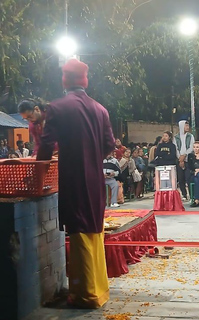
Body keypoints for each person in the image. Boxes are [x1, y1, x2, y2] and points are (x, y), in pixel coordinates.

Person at [36, 58, 115, 308]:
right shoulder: (100, 109)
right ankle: (99, 289)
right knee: (94, 230)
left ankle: (86, 295)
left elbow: (46, 145)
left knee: (79, 232)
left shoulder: (57, 107)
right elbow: (110, 145)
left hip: (72, 177)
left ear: (65, 80)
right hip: (95, 179)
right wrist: (92, 155)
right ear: (85, 81)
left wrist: (38, 173)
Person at [174, 120, 194, 201]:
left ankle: (191, 194)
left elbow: (191, 147)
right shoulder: (176, 137)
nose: (187, 127)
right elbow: (176, 149)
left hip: (188, 159)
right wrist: (180, 159)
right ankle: (184, 194)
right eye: (186, 126)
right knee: (181, 178)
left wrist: (184, 155)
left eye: (188, 126)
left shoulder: (190, 136)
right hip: (179, 160)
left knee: (188, 178)